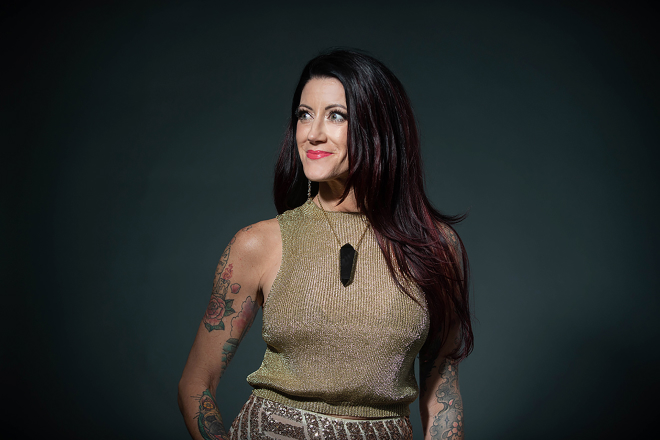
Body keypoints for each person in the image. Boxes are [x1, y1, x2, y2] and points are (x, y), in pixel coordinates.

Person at [178, 49, 473, 440]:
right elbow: (196, 384)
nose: (312, 133)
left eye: (336, 115)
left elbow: (441, 391)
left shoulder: (436, 248)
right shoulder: (258, 244)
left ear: (379, 128)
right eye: (304, 114)